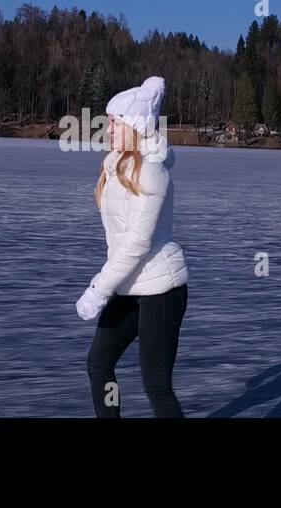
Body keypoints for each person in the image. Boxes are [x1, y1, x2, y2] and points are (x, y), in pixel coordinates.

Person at [75, 75, 190, 418]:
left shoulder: (152, 174)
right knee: (99, 364)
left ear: (136, 127)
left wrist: (97, 290)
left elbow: (136, 245)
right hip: (129, 285)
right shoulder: (115, 167)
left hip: (161, 289)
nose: (107, 129)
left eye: (114, 123)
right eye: (108, 122)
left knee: (156, 384)